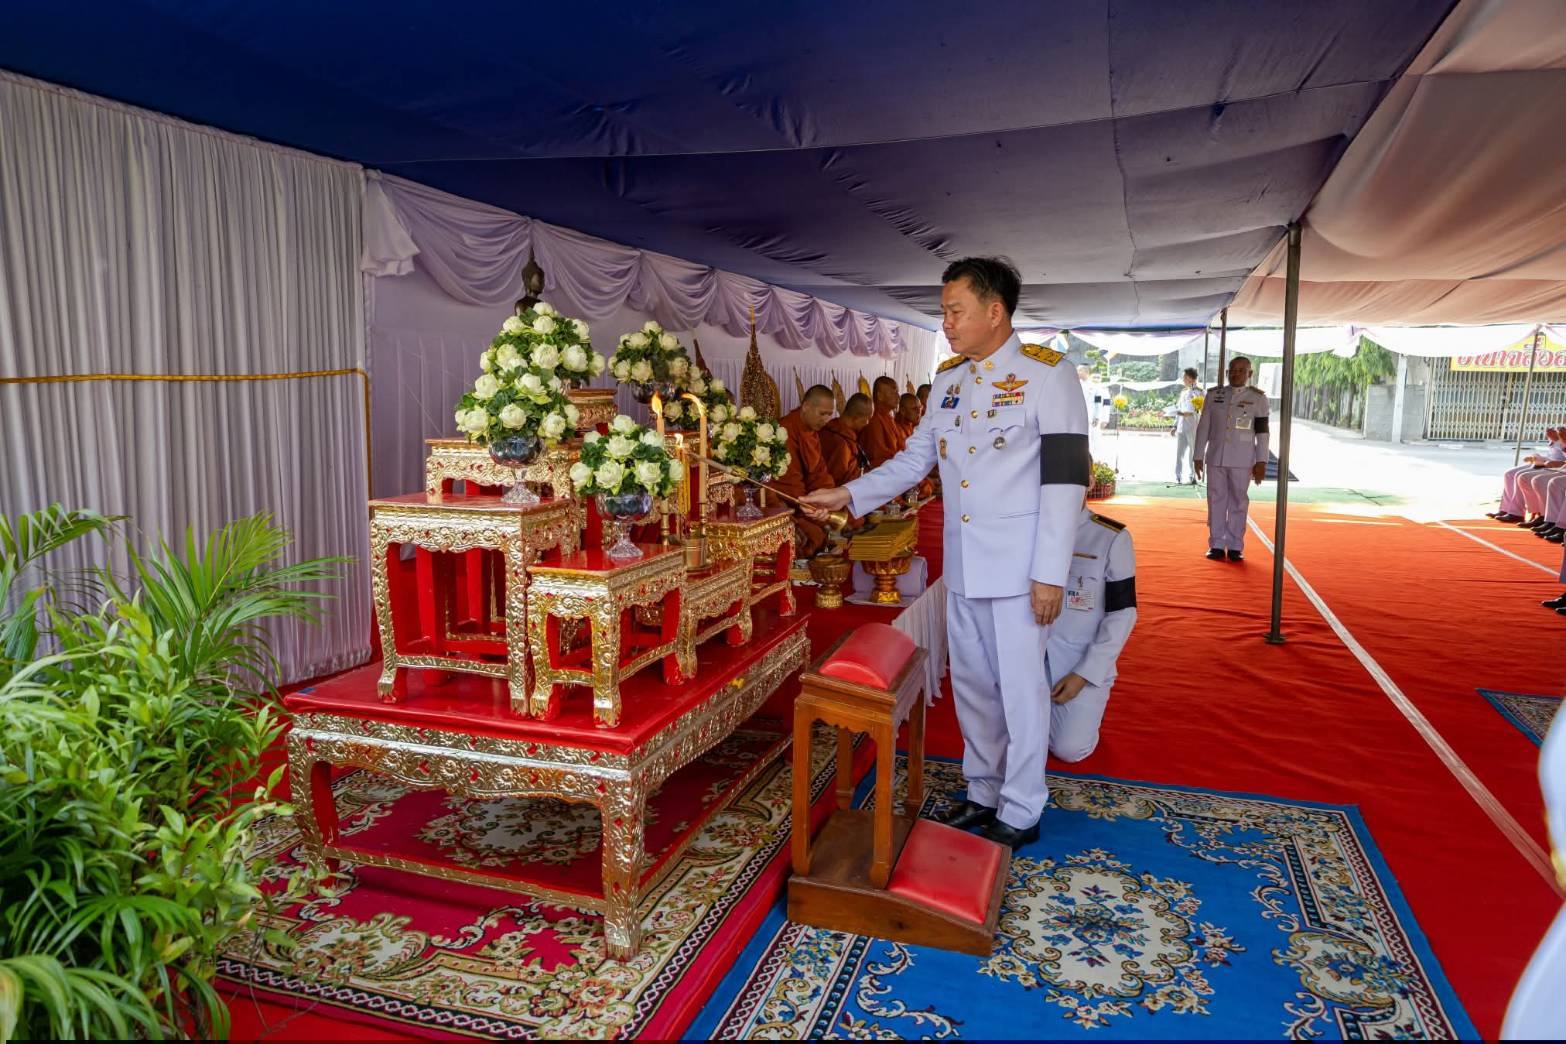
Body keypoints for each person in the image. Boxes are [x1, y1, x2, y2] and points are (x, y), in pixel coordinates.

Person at [801, 256, 1090, 849]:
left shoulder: (1048, 375)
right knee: (976, 686)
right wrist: (848, 492)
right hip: (965, 565)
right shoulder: (952, 380)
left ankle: (1022, 807)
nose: (947, 324)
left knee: (1021, 688)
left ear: (994, 311)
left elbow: (1065, 481)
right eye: (943, 313)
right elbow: (914, 460)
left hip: (1021, 569)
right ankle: (983, 792)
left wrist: (1050, 573)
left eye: (954, 312)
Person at [1046, 498, 1137, 763]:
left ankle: (1088, 707)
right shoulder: (1030, 528)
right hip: (1031, 659)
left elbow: (1123, 613)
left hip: (1077, 661)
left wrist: (1084, 673)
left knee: (1069, 750)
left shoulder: (1110, 537)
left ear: (1090, 480)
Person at [1193, 355, 1269, 562]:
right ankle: (1216, 543)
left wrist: (1261, 461)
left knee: (1238, 501)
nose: (1235, 374)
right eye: (1232, 370)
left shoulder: (1258, 398)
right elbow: (1203, 427)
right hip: (1216, 456)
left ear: (1249, 374)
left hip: (1242, 459)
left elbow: (1262, 432)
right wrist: (1198, 455)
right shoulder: (1214, 395)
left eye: (1240, 370)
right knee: (1215, 499)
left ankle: (1235, 545)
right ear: (1227, 372)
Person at [775, 385, 837, 557]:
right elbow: (789, 484)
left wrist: (829, 498)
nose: (826, 419)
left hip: (807, 500)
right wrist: (812, 508)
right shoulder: (785, 430)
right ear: (806, 407)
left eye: (829, 414)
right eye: (822, 413)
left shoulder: (811, 432)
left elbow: (820, 473)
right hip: (785, 502)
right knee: (813, 535)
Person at [1489, 427, 1564, 523]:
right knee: (1509, 474)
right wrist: (1537, 457)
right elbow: (1553, 455)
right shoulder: (1558, 431)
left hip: (1555, 466)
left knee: (1523, 477)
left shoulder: (1560, 435)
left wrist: (1558, 440)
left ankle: (1530, 513)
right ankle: (1506, 509)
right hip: (1546, 463)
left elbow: (1561, 457)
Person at [820, 392, 872, 486]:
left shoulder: (834, 429)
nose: (868, 423)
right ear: (856, 418)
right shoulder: (840, 443)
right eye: (867, 418)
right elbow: (837, 480)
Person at [861, 375, 907, 468]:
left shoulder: (888, 417)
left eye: (897, 392)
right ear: (880, 396)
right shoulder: (873, 420)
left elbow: (900, 445)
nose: (898, 397)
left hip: (898, 464)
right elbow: (878, 456)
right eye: (893, 393)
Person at [1172, 367, 1199, 485]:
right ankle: (1178, 476)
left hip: (1193, 426)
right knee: (1179, 453)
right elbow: (1179, 409)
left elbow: (1198, 410)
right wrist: (1174, 426)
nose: (1183, 379)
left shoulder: (1200, 392)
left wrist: (1185, 413)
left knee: (1193, 453)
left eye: (1185, 377)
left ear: (1192, 379)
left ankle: (1193, 476)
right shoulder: (1183, 393)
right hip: (1182, 426)